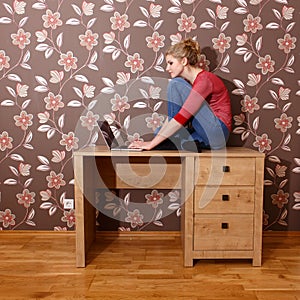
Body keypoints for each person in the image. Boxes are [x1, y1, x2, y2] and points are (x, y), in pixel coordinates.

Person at [129, 38, 232, 151]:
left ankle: (175, 138)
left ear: (183, 61)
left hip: (217, 132)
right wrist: (157, 139)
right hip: (206, 135)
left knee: (176, 84)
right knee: (159, 133)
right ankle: (183, 143)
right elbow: (176, 118)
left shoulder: (204, 80)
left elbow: (182, 117)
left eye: (171, 63)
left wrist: (151, 144)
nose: (167, 68)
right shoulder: (191, 84)